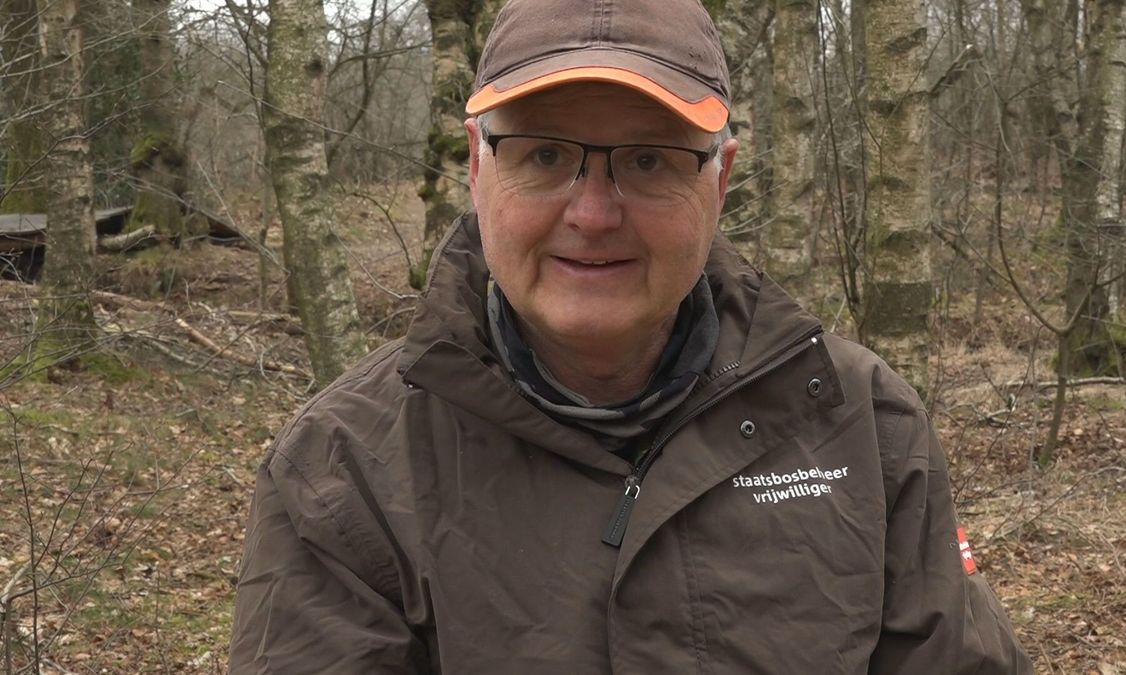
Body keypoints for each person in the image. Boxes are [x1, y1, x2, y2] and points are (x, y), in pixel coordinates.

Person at [229, 0, 1033, 671]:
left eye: (648, 160)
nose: (592, 213)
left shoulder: (863, 426)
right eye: (544, 154)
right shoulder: (342, 472)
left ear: (718, 180)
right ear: (477, 171)